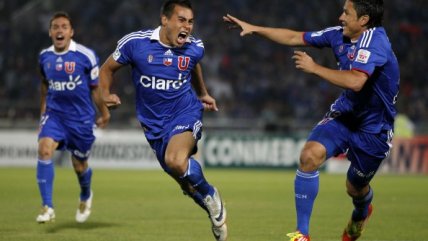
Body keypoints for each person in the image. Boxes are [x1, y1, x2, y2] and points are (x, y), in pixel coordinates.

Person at [224, 0, 399, 240]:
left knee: (355, 188)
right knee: (309, 156)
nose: (340, 17)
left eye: (347, 13)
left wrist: (315, 68)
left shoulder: (376, 42)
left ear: (364, 20)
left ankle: (362, 211)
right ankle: (302, 234)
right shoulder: (338, 35)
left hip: (374, 128)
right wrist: (254, 28)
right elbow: (295, 37)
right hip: (345, 114)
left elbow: (356, 81)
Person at [99, 1, 227, 240]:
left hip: (185, 111)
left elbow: (192, 64)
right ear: (165, 19)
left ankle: (211, 193)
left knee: (176, 161)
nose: (187, 27)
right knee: (185, 184)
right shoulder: (135, 44)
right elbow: (106, 70)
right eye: (181, 20)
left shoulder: (195, 46)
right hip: (153, 125)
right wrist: (105, 94)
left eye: (190, 21)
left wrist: (202, 93)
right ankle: (211, 209)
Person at [36, 11, 110, 223]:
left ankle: (86, 194)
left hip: (81, 120)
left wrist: (104, 114)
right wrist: (42, 114)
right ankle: (47, 207)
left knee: (79, 166)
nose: (60, 30)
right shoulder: (44, 57)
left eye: (64, 27)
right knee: (44, 149)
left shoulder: (85, 56)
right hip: (55, 115)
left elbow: (95, 89)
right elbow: (44, 86)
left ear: (71, 32)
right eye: (56, 27)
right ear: (50, 32)